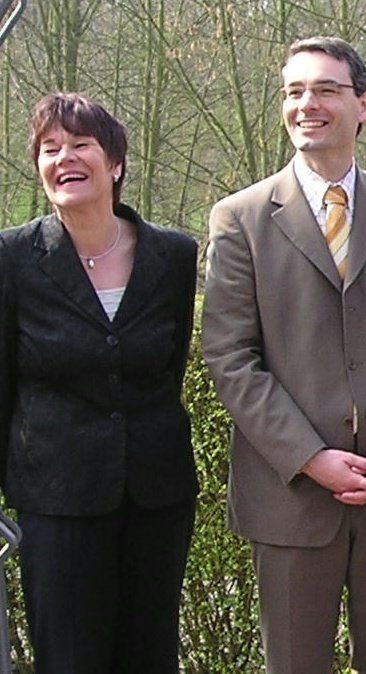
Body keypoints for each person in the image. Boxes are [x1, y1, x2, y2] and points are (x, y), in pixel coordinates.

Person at [201, 36, 366, 674]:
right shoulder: (240, 220)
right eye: (294, 91)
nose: (306, 104)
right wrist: (311, 457)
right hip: (290, 498)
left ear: (363, 105)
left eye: (324, 89)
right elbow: (230, 358)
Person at [0, 93, 198, 673]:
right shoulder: (11, 258)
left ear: (115, 164)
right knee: (69, 659)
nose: (65, 157)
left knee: (149, 653)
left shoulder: (174, 255)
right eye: (50, 148)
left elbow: (168, 368)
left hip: (157, 496)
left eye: (81, 144)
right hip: (56, 498)